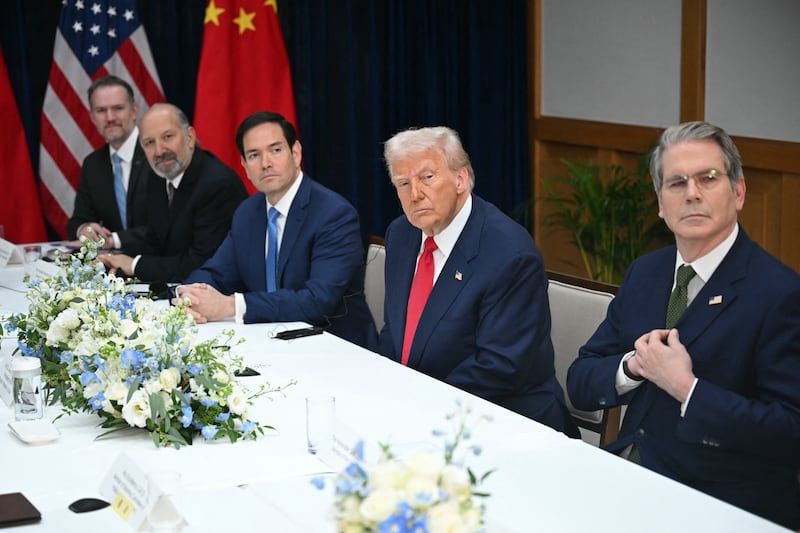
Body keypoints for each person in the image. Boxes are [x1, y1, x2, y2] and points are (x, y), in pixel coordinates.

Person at [567, 121, 800, 529]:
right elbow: (581, 381)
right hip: (634, 472)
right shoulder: (646, 273)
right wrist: (631, 368)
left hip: (722, 499)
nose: (692, 193)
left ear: (739, 192)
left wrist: (687, 389)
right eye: (676, 183)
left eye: (708, 179)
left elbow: (790, 433)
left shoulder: (780, 292)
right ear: (660, 202)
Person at [378, 126, 577, 436]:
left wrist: (416, 408)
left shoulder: (509, 254)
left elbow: (498, 367)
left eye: (427, 178)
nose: (415, 194)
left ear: (460, 179)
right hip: (419, 412)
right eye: (403, 183)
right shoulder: (402, 234)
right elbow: (395, 332)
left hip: (504, 422)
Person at [176, 112, 377, 350]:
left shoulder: (334, 214)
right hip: (270, 343)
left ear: (296, 153)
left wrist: (232, 306)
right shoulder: (248, 213)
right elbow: (217, 273)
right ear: (244, 166)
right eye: (254, 155)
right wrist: (189, 296)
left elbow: (318, 301)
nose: (265, 163)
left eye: (275, 150)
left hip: (335, 348)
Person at [99, 103, 247, 283]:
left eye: (167, 137)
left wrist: (135, 264)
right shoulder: (158, 176)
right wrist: (112, 261)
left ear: (190, 137)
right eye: (149, 143)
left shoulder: (217, 184)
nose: (160, 151)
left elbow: (201, 264)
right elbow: (156, 241)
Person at [66, 75, 150, 250]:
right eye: (101, 110)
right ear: (92, 117)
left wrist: (116, 239)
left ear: (134, 111)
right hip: (113, 267)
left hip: (161, 261)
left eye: (118, 108)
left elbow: (168, 224)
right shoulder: (93, 164)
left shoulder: (155, 154)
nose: (110, 117)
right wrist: (85, 230)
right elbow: (78, 220)